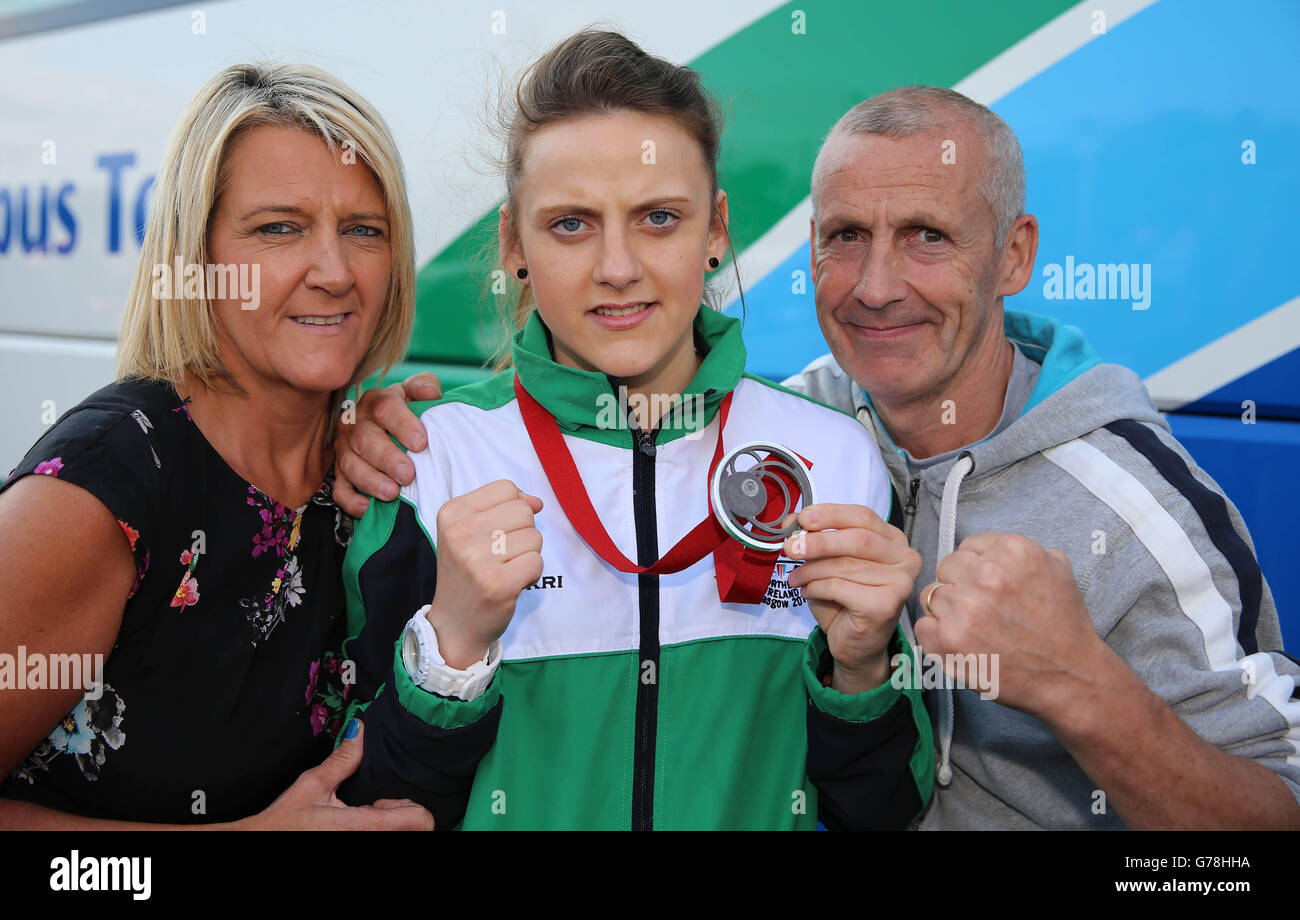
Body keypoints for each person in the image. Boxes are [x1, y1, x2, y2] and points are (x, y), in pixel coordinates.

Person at [341, 84, 1300, 830]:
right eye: (847, 238)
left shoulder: (1130, 499)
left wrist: (1078, 687)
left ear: (1014, 256)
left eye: (927, 237)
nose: (878, 287)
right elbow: (364, 788)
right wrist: (438, 618)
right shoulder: (814, 429)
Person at [333, 29, 934, 831]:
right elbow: (363, 804)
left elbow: (887, 813)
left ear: (716, 230)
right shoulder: (424, 461)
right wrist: (449, 651)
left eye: (658, 218)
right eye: (572, 225)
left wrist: (862, 672)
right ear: (515, 242)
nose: (618, 267)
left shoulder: (834, 459)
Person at [0, 62, 431, 830]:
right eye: (278, 229)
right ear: (194, 261)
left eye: (364, 231)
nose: (334, 273)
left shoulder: (369, 470)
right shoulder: (99, 494)